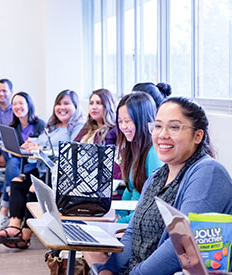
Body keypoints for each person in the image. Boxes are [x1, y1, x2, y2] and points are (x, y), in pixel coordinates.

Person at [85, 97, 232, 274]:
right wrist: (108, 270)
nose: (162, 134)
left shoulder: (207, 173)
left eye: (174, 127)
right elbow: (132, 233)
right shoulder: (157, 177)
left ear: (197, 136)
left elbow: (181, 245)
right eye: (158, 126)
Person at [0, 90, 85, 247]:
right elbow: (40, 141)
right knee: (17, 182)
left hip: (58, 175)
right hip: (41, 170)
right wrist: (31, 145)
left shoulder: (77, 127)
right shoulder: (53, 125)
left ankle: (24, 236)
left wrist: (41, 147)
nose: (61, 107)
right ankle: (13, 227)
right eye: (59, 104)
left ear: (76, 106)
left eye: (66, 103)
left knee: (34, 188)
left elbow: (71, 151)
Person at [0, 92, 45, 231]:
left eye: (21, 103)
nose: (17, 107)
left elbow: (44, 147)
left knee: (13, 166)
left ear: (28, 105)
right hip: (18, 165)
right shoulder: (12, 127)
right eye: (14, 104)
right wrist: (18, 149)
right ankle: (7, 203)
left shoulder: (40, 125)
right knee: (12, 162)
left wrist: (32, 146)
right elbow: (10, 151)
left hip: (33, 165)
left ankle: (4, 211)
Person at [115, 92, 163, 223]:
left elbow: (152, 204)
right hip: (129, 222)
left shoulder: (154, 153)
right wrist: (117, 216)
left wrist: (121, 222)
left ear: (143, 120)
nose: (123, 126)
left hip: (139, 224)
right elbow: (130, 189)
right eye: (120, 121)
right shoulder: (133, 148)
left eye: (128, 121)